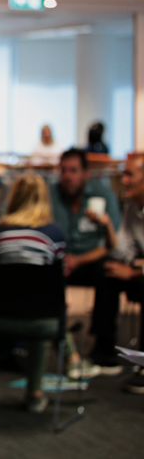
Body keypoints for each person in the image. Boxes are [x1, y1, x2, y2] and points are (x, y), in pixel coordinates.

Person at [0, 174, 100, 413]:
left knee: (35, 302)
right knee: (45, 305)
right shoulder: (53, 233)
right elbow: (56, 279)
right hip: (41, 320)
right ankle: (64, 368)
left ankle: (64, 369)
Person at [49, 148, 121, 372]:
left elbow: (111, 243)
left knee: (108, 270)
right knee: (39, 270)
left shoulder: (103, 195)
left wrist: (78, 260)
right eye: (63, 171)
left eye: (73, 171)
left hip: (91, 260)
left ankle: (104, 346)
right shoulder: (52, 194)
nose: (67, 176)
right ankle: (39, 339)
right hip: (59, 259)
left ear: (86, 173)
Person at [96, 153, 144, 394]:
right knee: (108, 271)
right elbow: (121, 250)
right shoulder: (132, 208)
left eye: (129, 174)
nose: (123, 180)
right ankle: (104, 353)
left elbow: (131, 264)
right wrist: (106, 226)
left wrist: (134, 272)